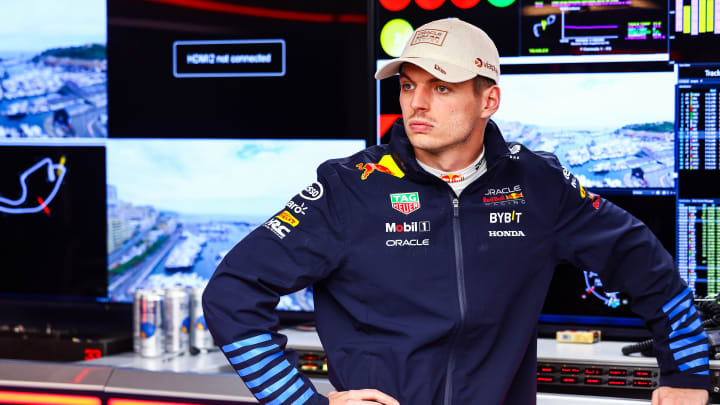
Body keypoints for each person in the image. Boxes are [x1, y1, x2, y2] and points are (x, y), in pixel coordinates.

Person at [202, 18, 710, 405]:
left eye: (440, 88)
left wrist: (686, 373)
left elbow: (644, 263)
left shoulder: (539, 186)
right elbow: (231, 294)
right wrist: (300, 401)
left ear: (488, 100)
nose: (416, 104)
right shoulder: (348, 188)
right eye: (408, 85)